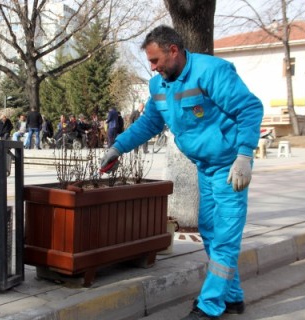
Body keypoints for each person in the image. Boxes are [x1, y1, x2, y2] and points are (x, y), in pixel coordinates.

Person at [100, 25, 263, 320]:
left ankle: (209, 306)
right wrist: (118, 147)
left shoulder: (212, 71)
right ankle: (233, 297)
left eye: (155, 60)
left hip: (229, 167)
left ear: (173, 51)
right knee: (211, 231)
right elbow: (149, 123)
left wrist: (244, 155)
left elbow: (250, 109)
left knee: (225, 237)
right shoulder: (159, 86)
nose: (152, 68)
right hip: (205, 166)